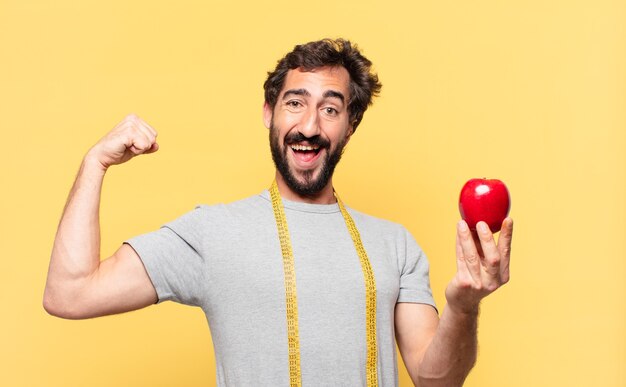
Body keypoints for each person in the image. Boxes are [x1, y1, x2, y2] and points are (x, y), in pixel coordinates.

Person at [44, 38, 513, 387]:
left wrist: (463, 306)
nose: (308, 126)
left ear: (350, 126)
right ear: (269, 112)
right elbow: (70, 294)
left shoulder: (395, 245)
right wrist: (95, 163)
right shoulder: (213, 233)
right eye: (295, 104)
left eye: (330, 110)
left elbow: (438, 381)